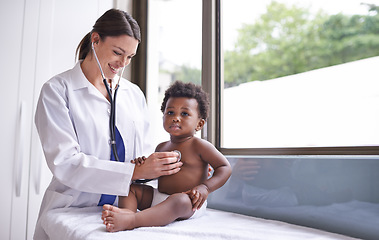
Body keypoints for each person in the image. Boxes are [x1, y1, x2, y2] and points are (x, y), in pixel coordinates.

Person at [33, 9, 182, 240]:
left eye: (130, 57)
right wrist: (136, 170)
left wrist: (184, 168)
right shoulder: (57, 90)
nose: (122, 64)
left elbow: (141, 158)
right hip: (73, 208)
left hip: (123, 209)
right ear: (95, 40)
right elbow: (66, 163)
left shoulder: (133, 94)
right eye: (117, 52)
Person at [101, 81, 232, 232]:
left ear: (199, 124)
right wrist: (142, 167)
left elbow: (224, 167)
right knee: (127, 186)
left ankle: (133, 220)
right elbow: (156, 175)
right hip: (160, 197)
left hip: (189, 203)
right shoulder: (162, 147)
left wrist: (205, 188)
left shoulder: (200, 145)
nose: (176, 118)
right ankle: (127, 213)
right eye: (170, 112)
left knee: (179, 200)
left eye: (184, 113)